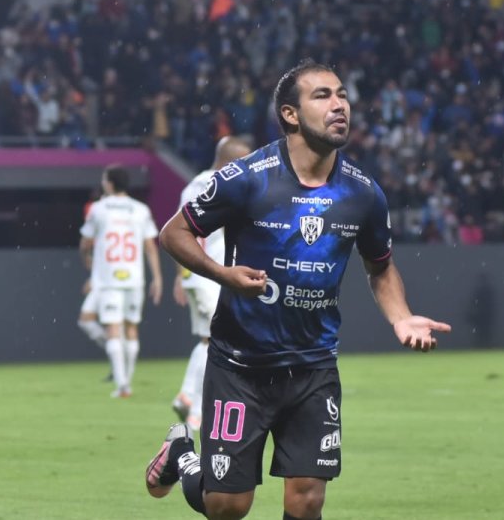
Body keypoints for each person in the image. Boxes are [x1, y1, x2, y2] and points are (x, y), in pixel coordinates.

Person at [144, 60, 451, 520]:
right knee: (227, 506)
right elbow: (174, 233)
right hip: (240, 365)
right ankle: (182, 453)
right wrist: (222, 274)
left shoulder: (363, 193)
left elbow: (380, 267)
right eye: (322, 96)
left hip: (313, 366)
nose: (339, 105)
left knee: (306, 501)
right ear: (291, 114)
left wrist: (401, 316)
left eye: (342, 95)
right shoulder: (247, 177)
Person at [171, 136, 252, 433]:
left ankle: (185, 395)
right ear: (231, 161)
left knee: (207, 339)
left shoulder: (192, 185)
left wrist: (181, 276)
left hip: (195, 273)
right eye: (244, 161)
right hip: (213, 274)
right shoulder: (228, 185)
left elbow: (179, 232)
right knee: (217, 342)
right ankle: (196, 412)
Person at [79, 165, 163, 398]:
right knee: (131, 329)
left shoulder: (98, 209)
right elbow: (150, 247)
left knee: (114, 329)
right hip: (135, 278)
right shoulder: (141, 209)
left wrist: (87, 262)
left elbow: (85, 244)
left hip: (109, 279)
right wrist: (157, 278)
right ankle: (127, 379)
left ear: (110, 183)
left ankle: (123, 385)